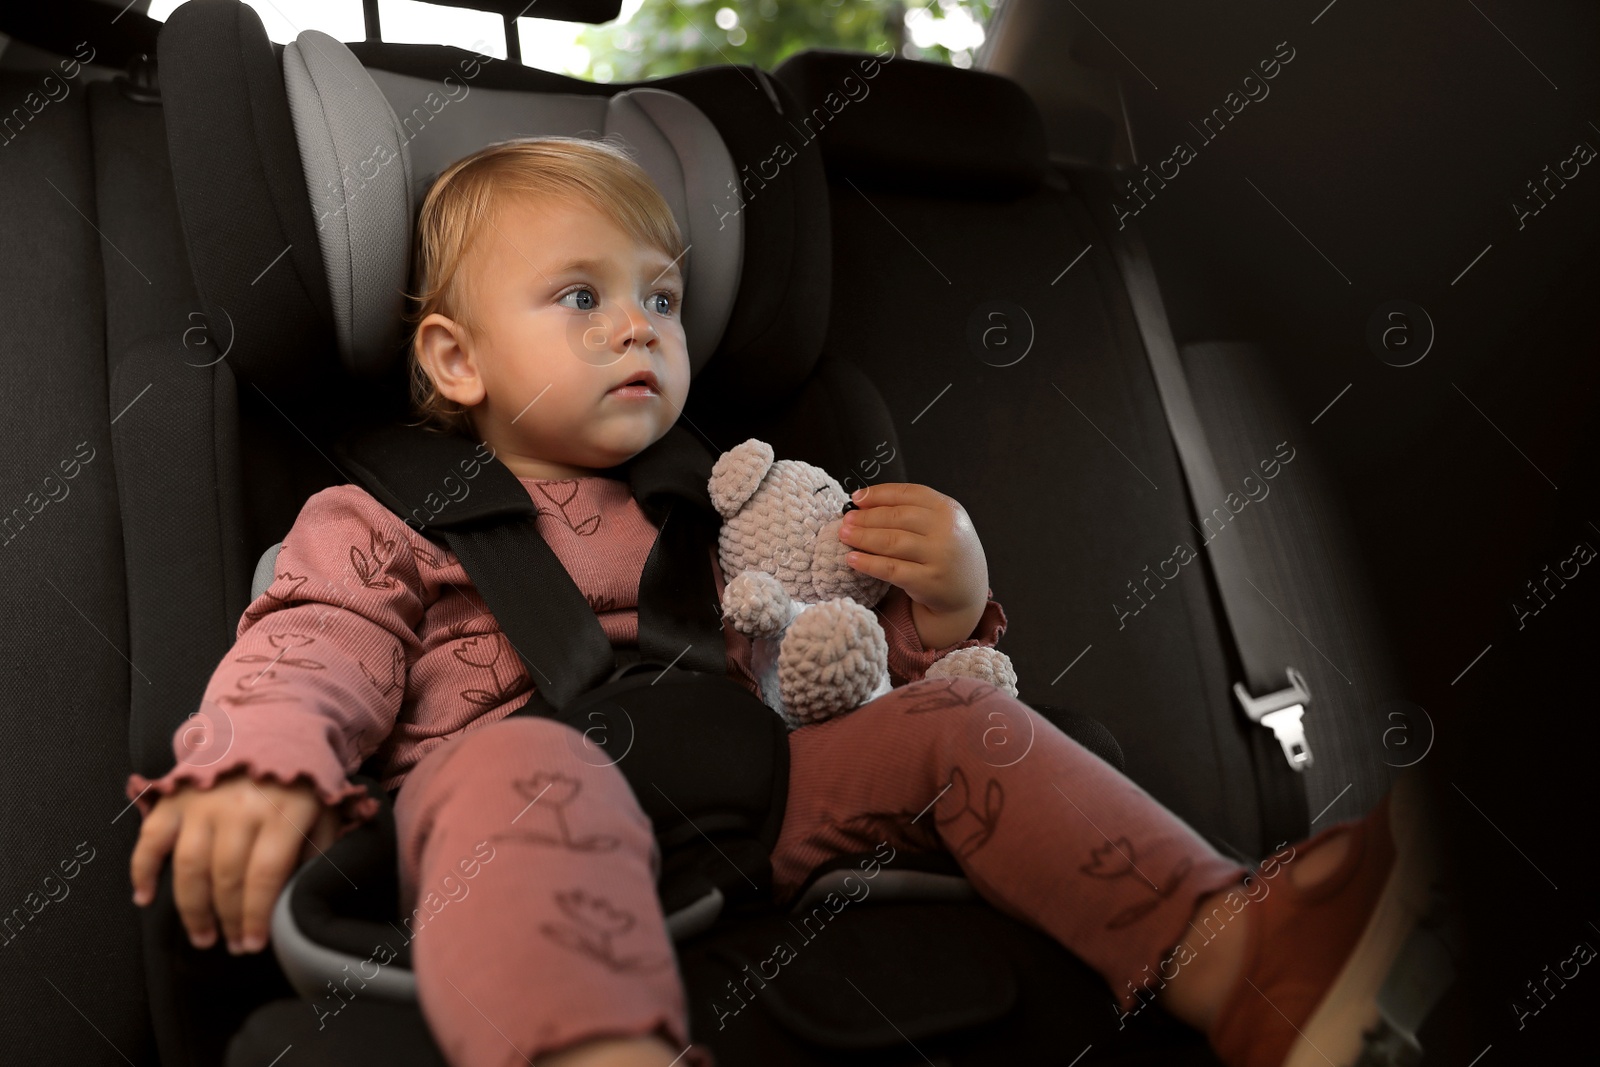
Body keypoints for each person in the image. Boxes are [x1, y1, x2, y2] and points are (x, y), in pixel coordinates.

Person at [125, 137, 1439, 1067]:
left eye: (661, 298)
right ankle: (590, 1047)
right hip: (500, 827)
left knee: (957, 736)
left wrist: (948, 603)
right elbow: (307, 654)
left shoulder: (736, 498)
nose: (637, 328)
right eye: (580, 298)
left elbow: (853, 667)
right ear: (454, 358)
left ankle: (1235, 952)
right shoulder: (375, 522)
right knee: (524, 762)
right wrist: (258, 767)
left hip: (757, 792)